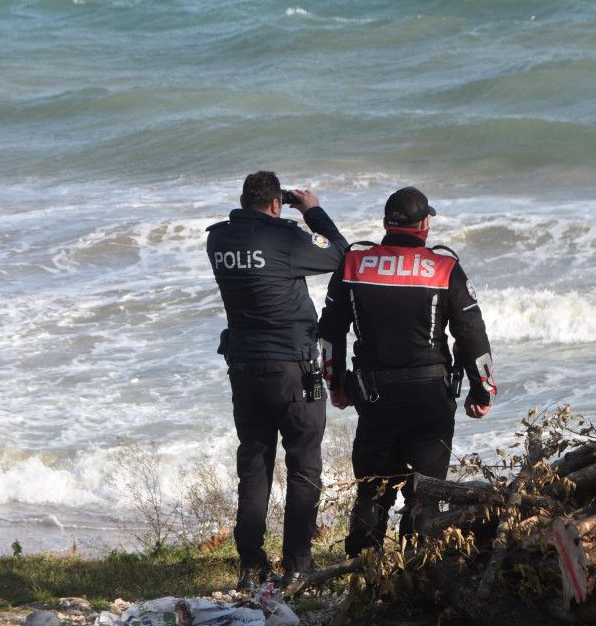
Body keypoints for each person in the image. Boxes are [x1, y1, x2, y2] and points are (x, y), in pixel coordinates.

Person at [317, 186, 495, 558]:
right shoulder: (444, 267)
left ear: (385, 224)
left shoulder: (354, 264)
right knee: (425, 494)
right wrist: (482, 392)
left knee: (372, 491)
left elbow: (329, 333)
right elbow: (472, 335)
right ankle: (418, 576)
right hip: (430, 401)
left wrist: (335, 384)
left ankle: (362, 576)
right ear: (425, 225)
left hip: (375, 399)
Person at [206, 171, 348, 592]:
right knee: (304, 464)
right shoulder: (285, 239)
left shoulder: (218, 240)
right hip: (291, 368)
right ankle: (297, 566)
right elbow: (340, 254)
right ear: (275, 204)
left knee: (254, 463)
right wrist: (312, 210)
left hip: (244, 367)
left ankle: (251, 566)